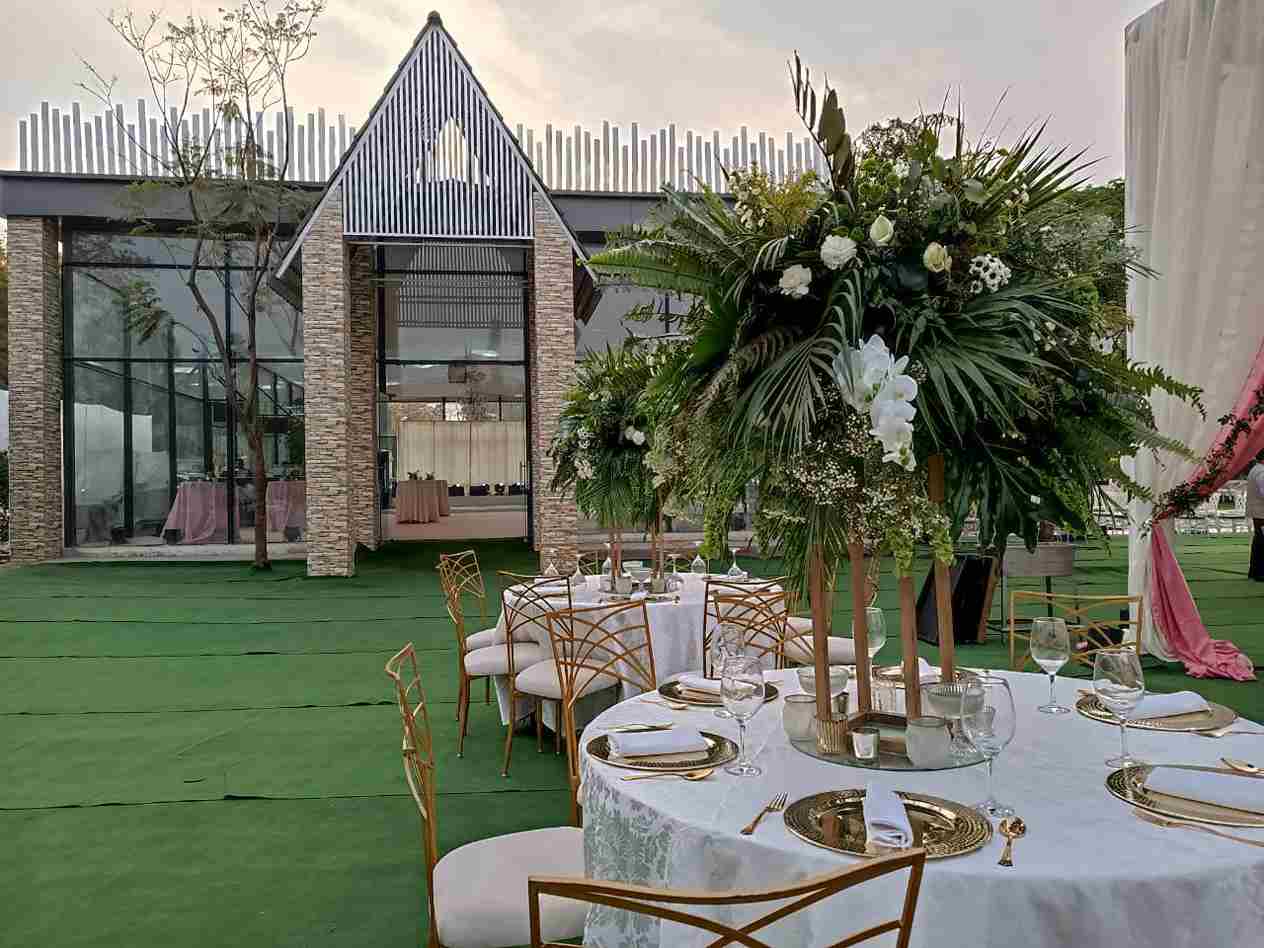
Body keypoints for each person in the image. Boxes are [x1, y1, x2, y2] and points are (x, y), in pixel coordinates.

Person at [1249, 454, 1264, 581]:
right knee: (1261, 542)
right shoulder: (1262, 471)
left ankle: (1254, 572)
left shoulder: (1256, 469)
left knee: (1259, 541)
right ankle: (1260, 573)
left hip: (1258, 511)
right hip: (1261, 512)